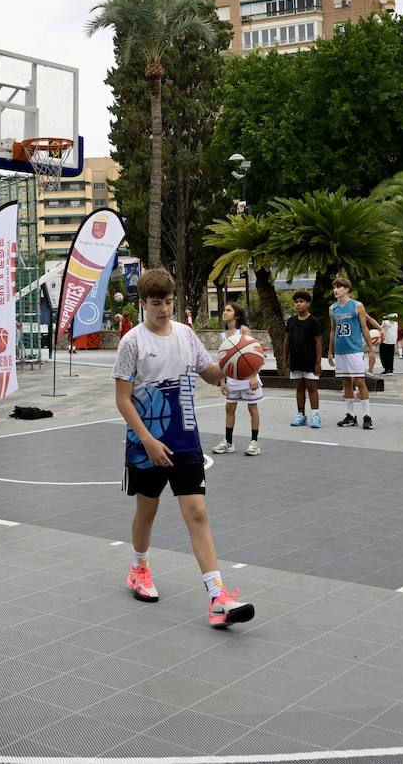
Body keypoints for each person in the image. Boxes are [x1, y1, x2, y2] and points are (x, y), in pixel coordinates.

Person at [113, 268, 254, 628]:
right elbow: (123, 400)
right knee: (147, 510)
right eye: (157, 302)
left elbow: (208, 373)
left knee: (197, 513)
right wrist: (147, 439)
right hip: (147, 441)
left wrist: (235, 363)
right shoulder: (132, 342)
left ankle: (217, 596)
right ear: (143, 303)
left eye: (169, 301)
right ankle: (139, 568)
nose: (164, 308)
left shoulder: (186, 334)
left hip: (185, 438)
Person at [328, 277, 381, 430]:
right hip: (340, 349)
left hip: (355, 349)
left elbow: (364, 328)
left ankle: (367, 416)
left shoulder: (357, 306)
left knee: (360, 381)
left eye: (339, 287)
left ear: (347, 289)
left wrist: (371, 349)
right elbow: (332, 330)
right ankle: (350, 415)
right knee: (346, 382)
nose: (335, 290)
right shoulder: (333, 308)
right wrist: (330, 351)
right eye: (334, 287)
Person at [211, 302, 264, 456]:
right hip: (232, 377)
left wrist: (254, 375)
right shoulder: (222, 335)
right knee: (229, 408)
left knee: (252, 408)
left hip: (248, 377)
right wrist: (222, 381)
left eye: (228, 310)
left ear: (237, 315)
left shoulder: (243, 330)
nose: (224, 312)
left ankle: (254, 443)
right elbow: (222, 361)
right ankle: (228, 442)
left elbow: (254, 352)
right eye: (224, 310)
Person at [284, 290, 323, 429]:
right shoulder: (291, 321)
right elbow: (287, 341)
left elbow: (318, 342)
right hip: (296, 360)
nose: (298, 304)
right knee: (299, 388)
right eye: (296, 302)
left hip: (310, 361)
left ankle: (316, 415)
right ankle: (301, 414)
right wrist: (285, 360)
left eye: (301, 301)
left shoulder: (314, 321)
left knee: (312, 388)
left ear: (308, 304)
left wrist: (318, 362)